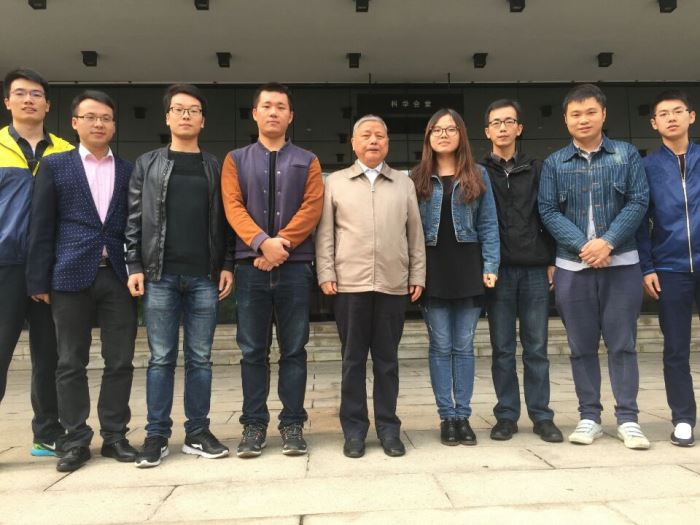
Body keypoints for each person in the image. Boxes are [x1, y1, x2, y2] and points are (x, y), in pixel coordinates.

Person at [27, 90, 137, 471]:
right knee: (70, 361)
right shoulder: (56, 166)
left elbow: (135, 225)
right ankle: (75, 440)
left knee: (120, 359)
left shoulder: (128, 170)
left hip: (118, 276)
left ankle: (115, 436)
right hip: (69, 274)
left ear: (114, 126)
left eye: (106, 118)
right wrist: (37, 280)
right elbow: (41, 225)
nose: (98, 124)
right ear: (75, 123)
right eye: (90, 117)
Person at [126, 84, 234, 468]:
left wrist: (227, 264)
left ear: (203, 120)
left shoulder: (215, 166)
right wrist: (134, 265)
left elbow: (227, 221)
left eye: (193, 110)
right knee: (161, 358)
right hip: (160, 276)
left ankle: (198, 432)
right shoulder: (147, 164)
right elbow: (134, 218)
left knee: (200, 358)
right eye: (179, 109)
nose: (186, 115)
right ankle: (156, 435)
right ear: (167, 117)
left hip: (204, 276)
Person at [538, 83, 650, 449]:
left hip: (622, 263)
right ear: (565, 119)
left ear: (603, 114)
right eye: (575, 114)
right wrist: (584, 247)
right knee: (581, 346)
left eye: (590, 112)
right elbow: (548, 210)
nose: (583, 119)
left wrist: (608, 241)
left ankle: (628, 419)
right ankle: (589, 417)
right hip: (573, 267)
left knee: (623, 344)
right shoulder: (555, 162)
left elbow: (638, 201)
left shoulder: (626, 154)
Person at [221, 82, 323, 458]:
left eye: (281, 106)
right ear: (255, 113)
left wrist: (281, 245)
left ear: (290, 116)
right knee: (252, 350)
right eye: (267, 106)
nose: (274, 112)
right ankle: (253, 425)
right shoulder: (236, 159)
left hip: (294, 269)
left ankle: (292, 423)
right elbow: (233, 206)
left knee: (294, 349)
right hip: (251, 269)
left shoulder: (308, 160)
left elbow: (312, 207)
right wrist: (262, 242)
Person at [316, 114, 425, 458]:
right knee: (352, 361)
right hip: (349, 285)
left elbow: (414, 234)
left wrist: (417, 275)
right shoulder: (336, 182)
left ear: (388, 143)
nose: (373, 140)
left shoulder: (403, 183)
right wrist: (326, 272)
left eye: (379, 135)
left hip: (393, 285)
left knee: (387, 362)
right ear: (353, 143)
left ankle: (389, 429)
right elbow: (325, 233)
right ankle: (354, 431)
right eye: (366, 135)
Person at [411, 108, 499, 446]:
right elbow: (409, 230)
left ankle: (463, 415)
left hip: (468, 269)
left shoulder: (477, 174)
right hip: (432, 270)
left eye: (450, 129)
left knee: (463, 346)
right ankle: (446, 416)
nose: (444, 134)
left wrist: (490, 265)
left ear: (461, 134)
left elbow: (488, 224)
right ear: (428, 137)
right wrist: (412, 273)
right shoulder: (416, 177)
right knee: (440, 345)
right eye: (437, 129)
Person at [480, 99, 562, 443]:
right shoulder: (479, 171)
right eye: (496, 123)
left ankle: (542, 416)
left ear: (519, 128)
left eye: (508, 121)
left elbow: (550, 214)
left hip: (534, 270)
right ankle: (506, 415)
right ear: (487, 132)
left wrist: (553, 259)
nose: (502, 128)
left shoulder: (538, 168)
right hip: (498, 272)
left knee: (536, 348)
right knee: (501, 349)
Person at [0, 68, 73, 457]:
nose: (28, 100)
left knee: (50, 354)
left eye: (36, 94)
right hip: (5, 265)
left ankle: (47, 431)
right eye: (20, 93)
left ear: (47, 104)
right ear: (7, 101)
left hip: (50, 267)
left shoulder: (65, 151)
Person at [636, 89, 699, 447]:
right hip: (670, 269)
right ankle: (683, 419)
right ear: (654, 123)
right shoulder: (647, 167)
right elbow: (639, 222)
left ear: (691, 116)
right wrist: (647, 267)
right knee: (675, 348)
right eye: (664, 113)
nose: (671, 118)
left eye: (678, 111)